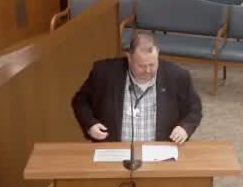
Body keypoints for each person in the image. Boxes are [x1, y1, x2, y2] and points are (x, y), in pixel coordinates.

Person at [71, 31, 202, 145]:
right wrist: (90, 125)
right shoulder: (104, 73)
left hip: (160, 151)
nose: (148, 70)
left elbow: (195, 109)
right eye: (142, 66)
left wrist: (184, 128)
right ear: (129, 58)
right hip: (114, 150)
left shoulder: (177, 76)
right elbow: (80, 101)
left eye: (152, 64)